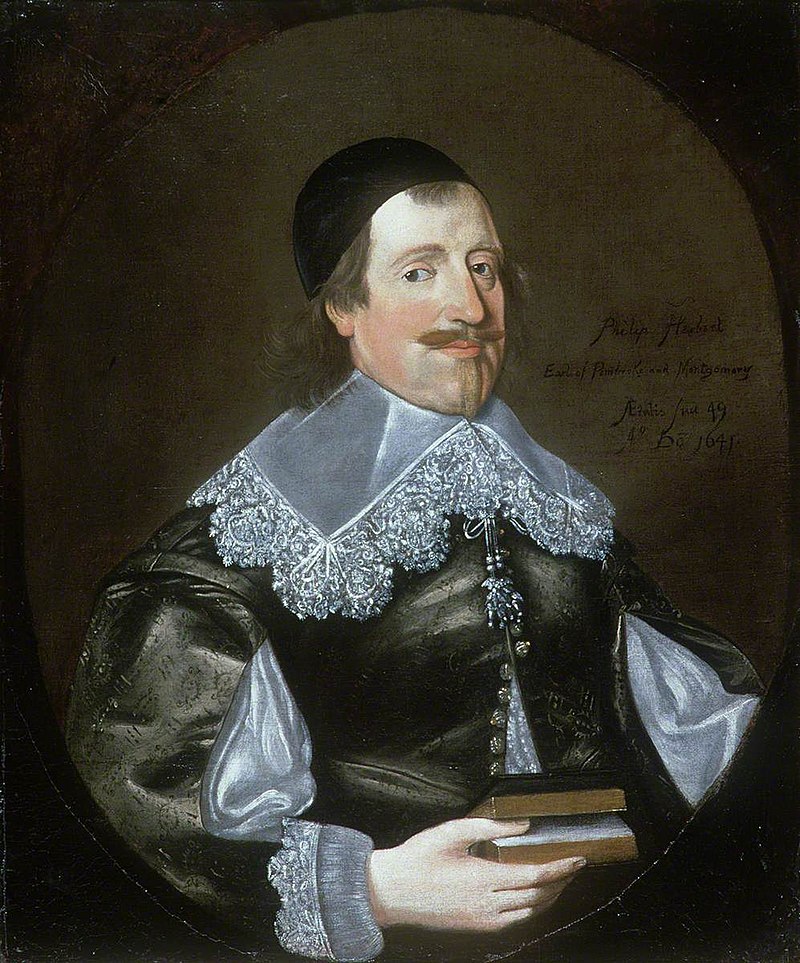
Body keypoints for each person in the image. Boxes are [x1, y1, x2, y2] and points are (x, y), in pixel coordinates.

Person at [66, 138, 762, 962]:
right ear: (342, 305)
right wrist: (378, 889)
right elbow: (139, 813)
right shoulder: (234, 550)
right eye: (420, 272)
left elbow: (703, 738)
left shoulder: (564, 509)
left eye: (484, 268)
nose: (471, 306)